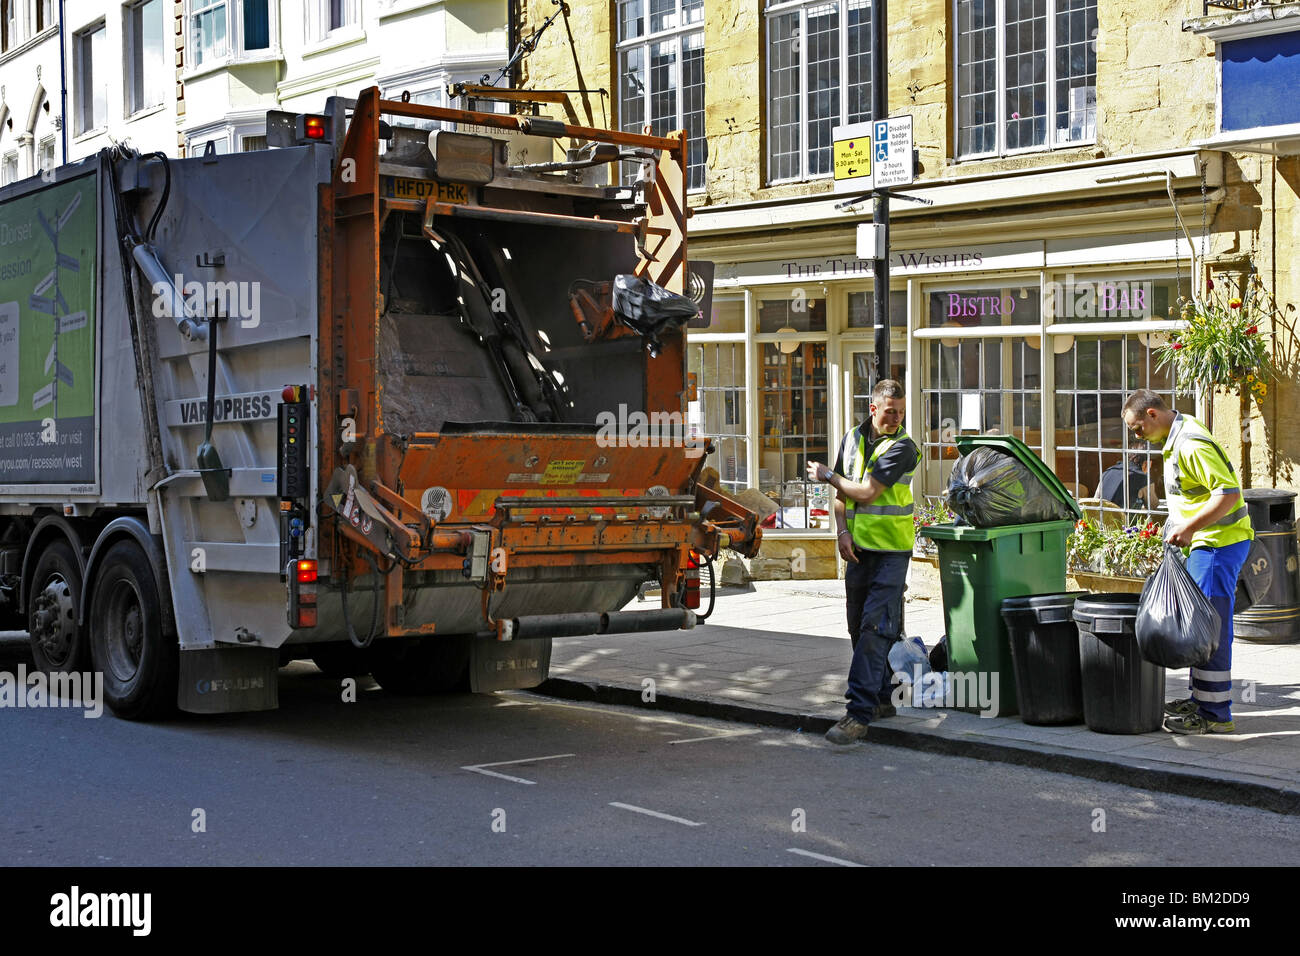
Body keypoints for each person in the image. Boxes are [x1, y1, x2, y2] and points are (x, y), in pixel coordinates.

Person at [1121, 389, 1254, 734]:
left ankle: (1214, 714)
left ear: (1152, 414)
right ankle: (1201, 700)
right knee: (1202, 627)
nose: (1138, 437)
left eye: (1137, 429)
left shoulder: (1189, 443)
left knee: (1210, 629)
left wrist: (1189, 529)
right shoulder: (1179, 434)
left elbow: (1228, 495)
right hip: (1208, 545)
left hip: (1217, 546)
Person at [806, 379, 920, 745]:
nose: (896, 417)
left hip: (890, 553)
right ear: (873, 408)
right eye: (890, 411)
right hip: (858, 551)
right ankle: (884, 697)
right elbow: (841, 496)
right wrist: (841, 533)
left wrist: (827, 474)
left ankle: (858, 714)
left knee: (875, 627)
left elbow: (867, 493)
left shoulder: (903, 447)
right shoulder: (852, 438)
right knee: (858, 627)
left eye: (901, 411)